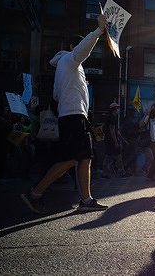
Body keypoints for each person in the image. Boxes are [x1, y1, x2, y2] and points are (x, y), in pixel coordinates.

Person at [21, 14, 108, 213]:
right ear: (71, 47)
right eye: (77, 47)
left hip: (74, 115)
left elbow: (56, 95)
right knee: (70, 158)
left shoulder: (65, 67)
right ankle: (35, 194)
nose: (83, 54)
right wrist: (99, 31)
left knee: (85, 157)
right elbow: (83, 50)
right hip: (74, 116)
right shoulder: (70, 59)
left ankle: (86, 200)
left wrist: (78, 86)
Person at [101, 103, 130, 179]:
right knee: (108, 157)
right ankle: (105, 173)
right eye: (117, 108)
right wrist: (115, 141)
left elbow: (117, 132)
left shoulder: (113, 118)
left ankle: (123, 172)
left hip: (111, 140)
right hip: (111, 140)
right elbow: (112, 131)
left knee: (117, 157)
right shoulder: (111, 118)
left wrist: (123, 140)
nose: (118, 110)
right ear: (114, 109)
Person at [140, 104, 155, 180]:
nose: (153, 111)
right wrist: (145, 115)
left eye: (154, 109)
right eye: (152, 109)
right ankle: (152, 174)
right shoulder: (148, 118)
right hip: (151, 141)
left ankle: (154, 174)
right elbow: (141, 125)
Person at [121, 108, 141, 176]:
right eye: (134, 113)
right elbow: (130, 132)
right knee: (131, 157)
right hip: (130, 142)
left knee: (128, 157)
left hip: (128, 141)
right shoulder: (129, 122)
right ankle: (131, 171)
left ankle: (130, 171)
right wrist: (138, 132)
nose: (135, 114)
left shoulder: (127, 121)